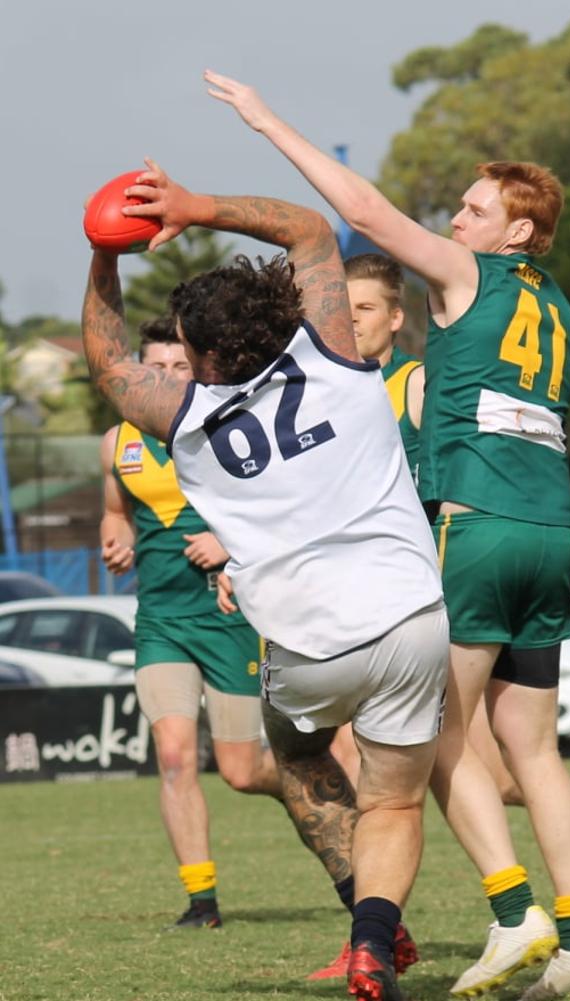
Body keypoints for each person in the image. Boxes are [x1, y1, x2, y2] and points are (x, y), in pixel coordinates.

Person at [203, 73, 570, 1000]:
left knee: (426, 726)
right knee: (533, 751)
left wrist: (265, 118)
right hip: (550, 535)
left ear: (516, 232)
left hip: (477, 526)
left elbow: (359, 209)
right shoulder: (563, 315)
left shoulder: (468, 274)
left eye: (474, 208)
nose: (455, 219)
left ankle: (514, 908)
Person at [82, 162, 449, 1001]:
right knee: (394, 803)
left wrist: (107, 254)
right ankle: (372, 943)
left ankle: (363, 919)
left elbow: (106, 357)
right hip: (409, 616)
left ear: (199, 355)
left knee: (293, 753)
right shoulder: (337, 352)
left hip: (305, 642)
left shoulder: (183, 417)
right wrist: (196, 207)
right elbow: (310, 231)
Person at [100, 314, 281, 929]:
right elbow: (114, 512)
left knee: (241, 771)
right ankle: (201, 901)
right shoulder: (119, 440)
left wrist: (225, 541)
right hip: (161, 622)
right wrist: (115, 538)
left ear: (199, 370)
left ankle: (316, 786)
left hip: (228, 620)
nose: (168, 377)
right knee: (175, 756)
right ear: (140, 373)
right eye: (157, 367)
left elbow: (278, 508)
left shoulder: (228, 431)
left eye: (181, 366)